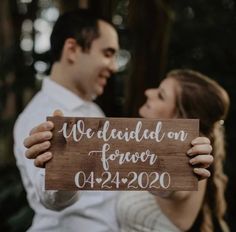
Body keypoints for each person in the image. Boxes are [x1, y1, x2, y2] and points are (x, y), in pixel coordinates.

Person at [23, 69, 223, 232]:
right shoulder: (136, 152)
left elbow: (170, 188)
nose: (148, 92)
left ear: (180, 118)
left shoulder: (190, 162)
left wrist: (185, 164)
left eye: (161, 95)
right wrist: (64, 157)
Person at [13, 9, 119, 232]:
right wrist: (63, 169)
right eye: (108, 53)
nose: (114, 66)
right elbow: (52, 199)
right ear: (72, 50)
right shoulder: (38, 117)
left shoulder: (95, 110)